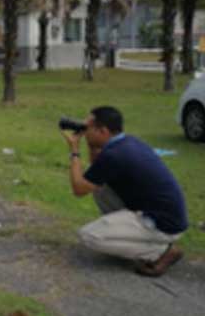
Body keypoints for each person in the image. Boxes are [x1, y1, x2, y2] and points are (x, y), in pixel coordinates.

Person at [62, 106, 188, 277]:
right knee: (100, 188)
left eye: (88, 127)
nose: (85, 131)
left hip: (163, 224)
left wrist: (74, 151)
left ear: (103, 131)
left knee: (89, 236)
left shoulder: (115, 155)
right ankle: (128, 236)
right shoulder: (127, 142)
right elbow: (95, 172)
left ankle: (161, 251)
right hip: (163, 214)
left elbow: (78, 189)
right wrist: (91, 144)